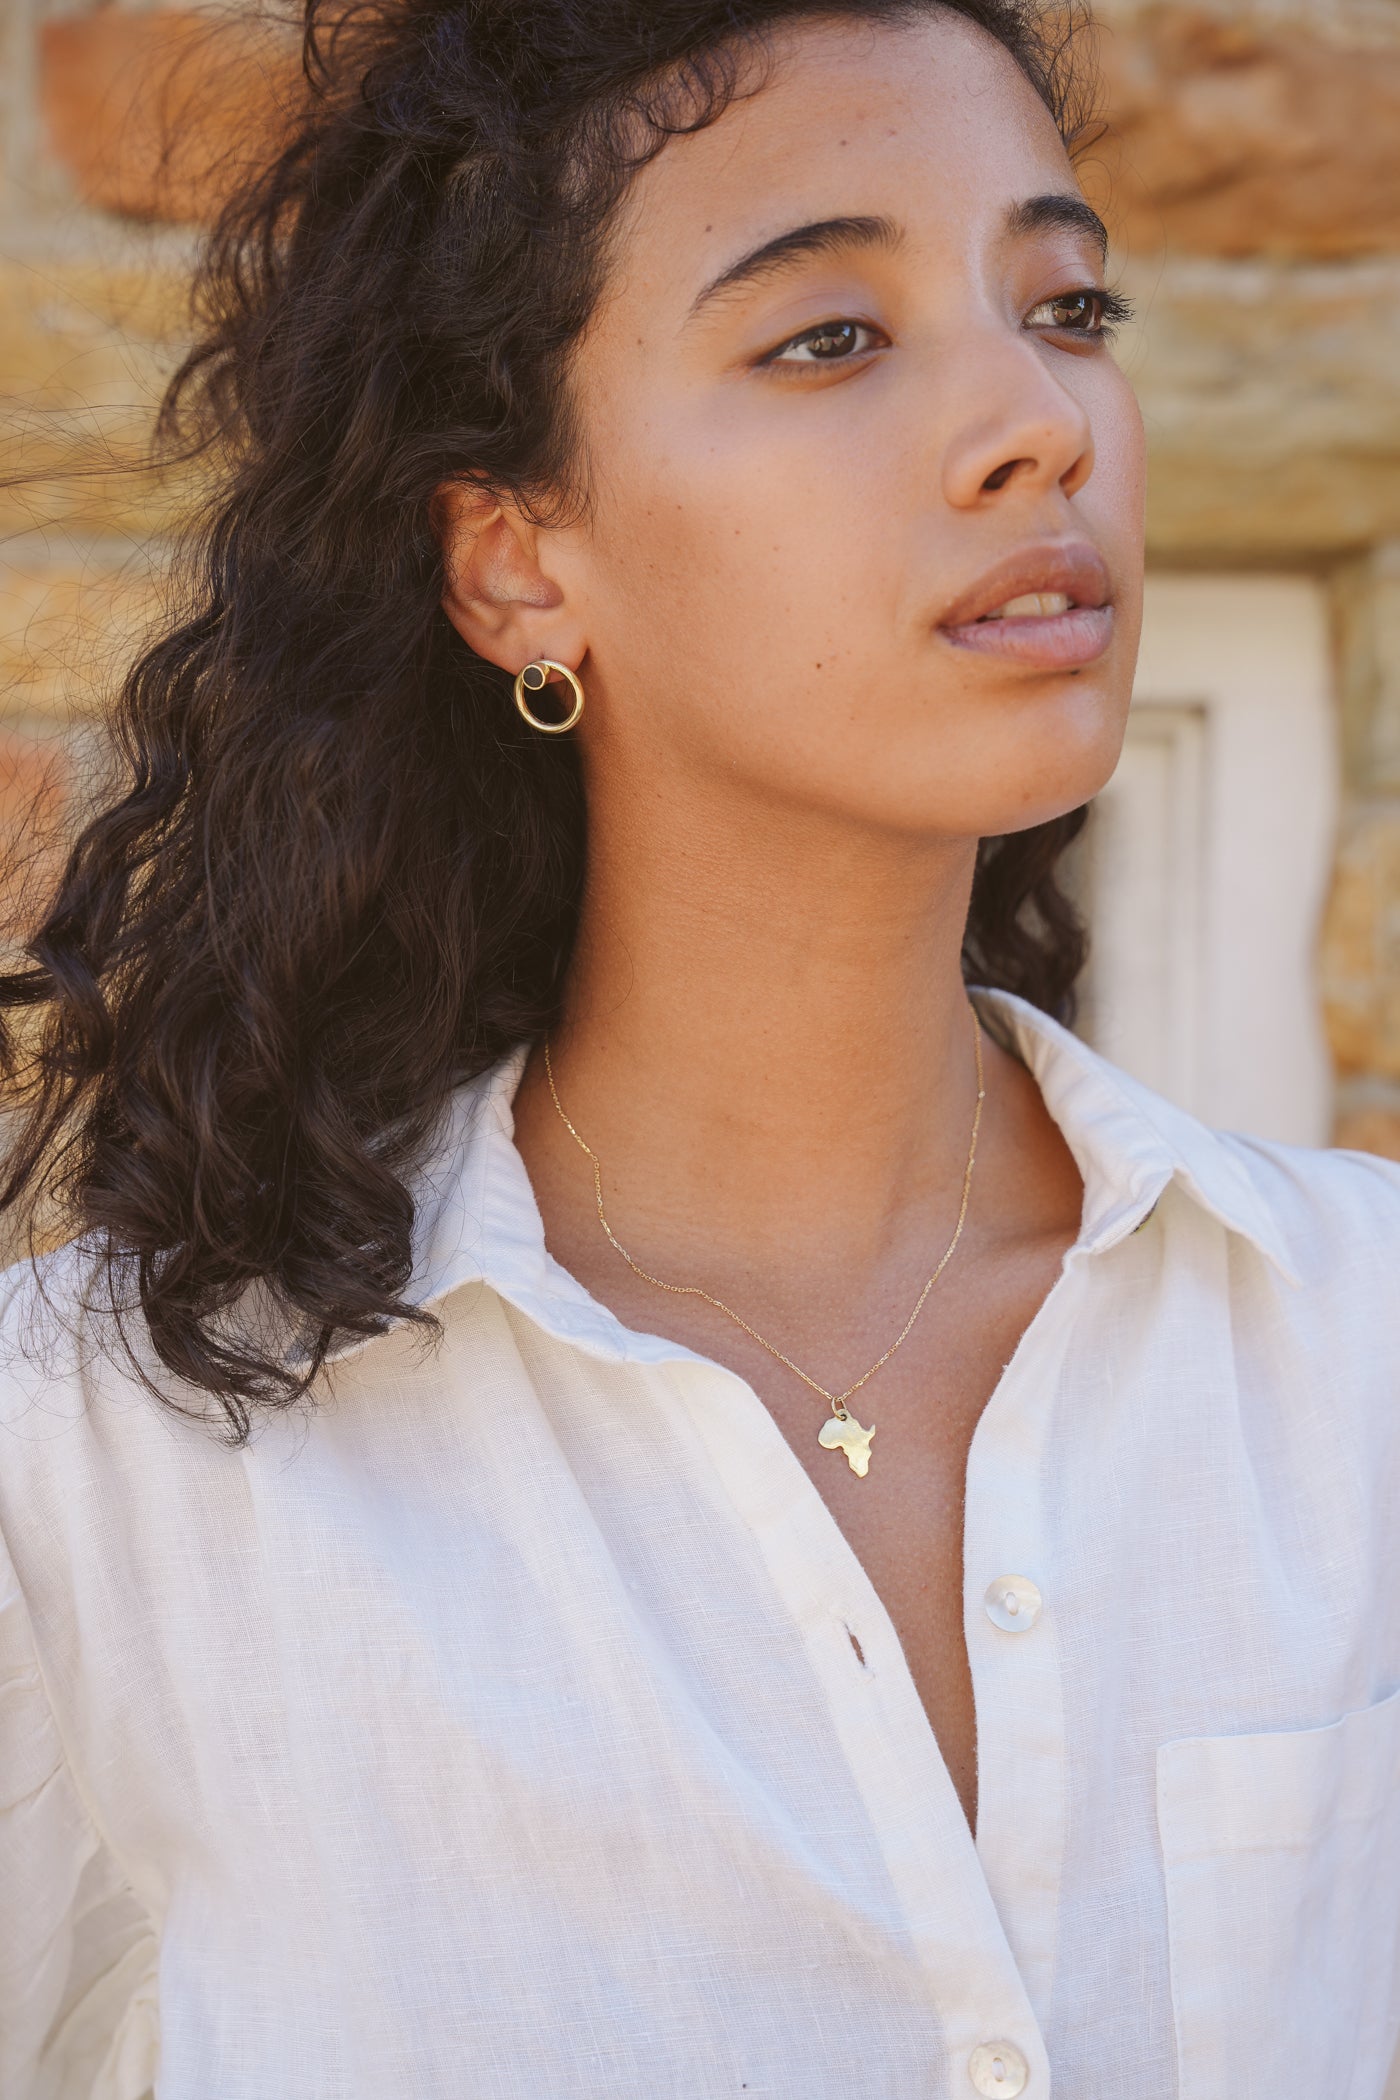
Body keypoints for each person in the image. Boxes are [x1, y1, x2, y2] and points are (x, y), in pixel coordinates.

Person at [2, 0, 1398, 2093]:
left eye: (1067, 306)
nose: (1037, 423)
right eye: (828, 337)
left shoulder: (1359, 1361)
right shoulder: (106, 1482)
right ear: (515, 561)